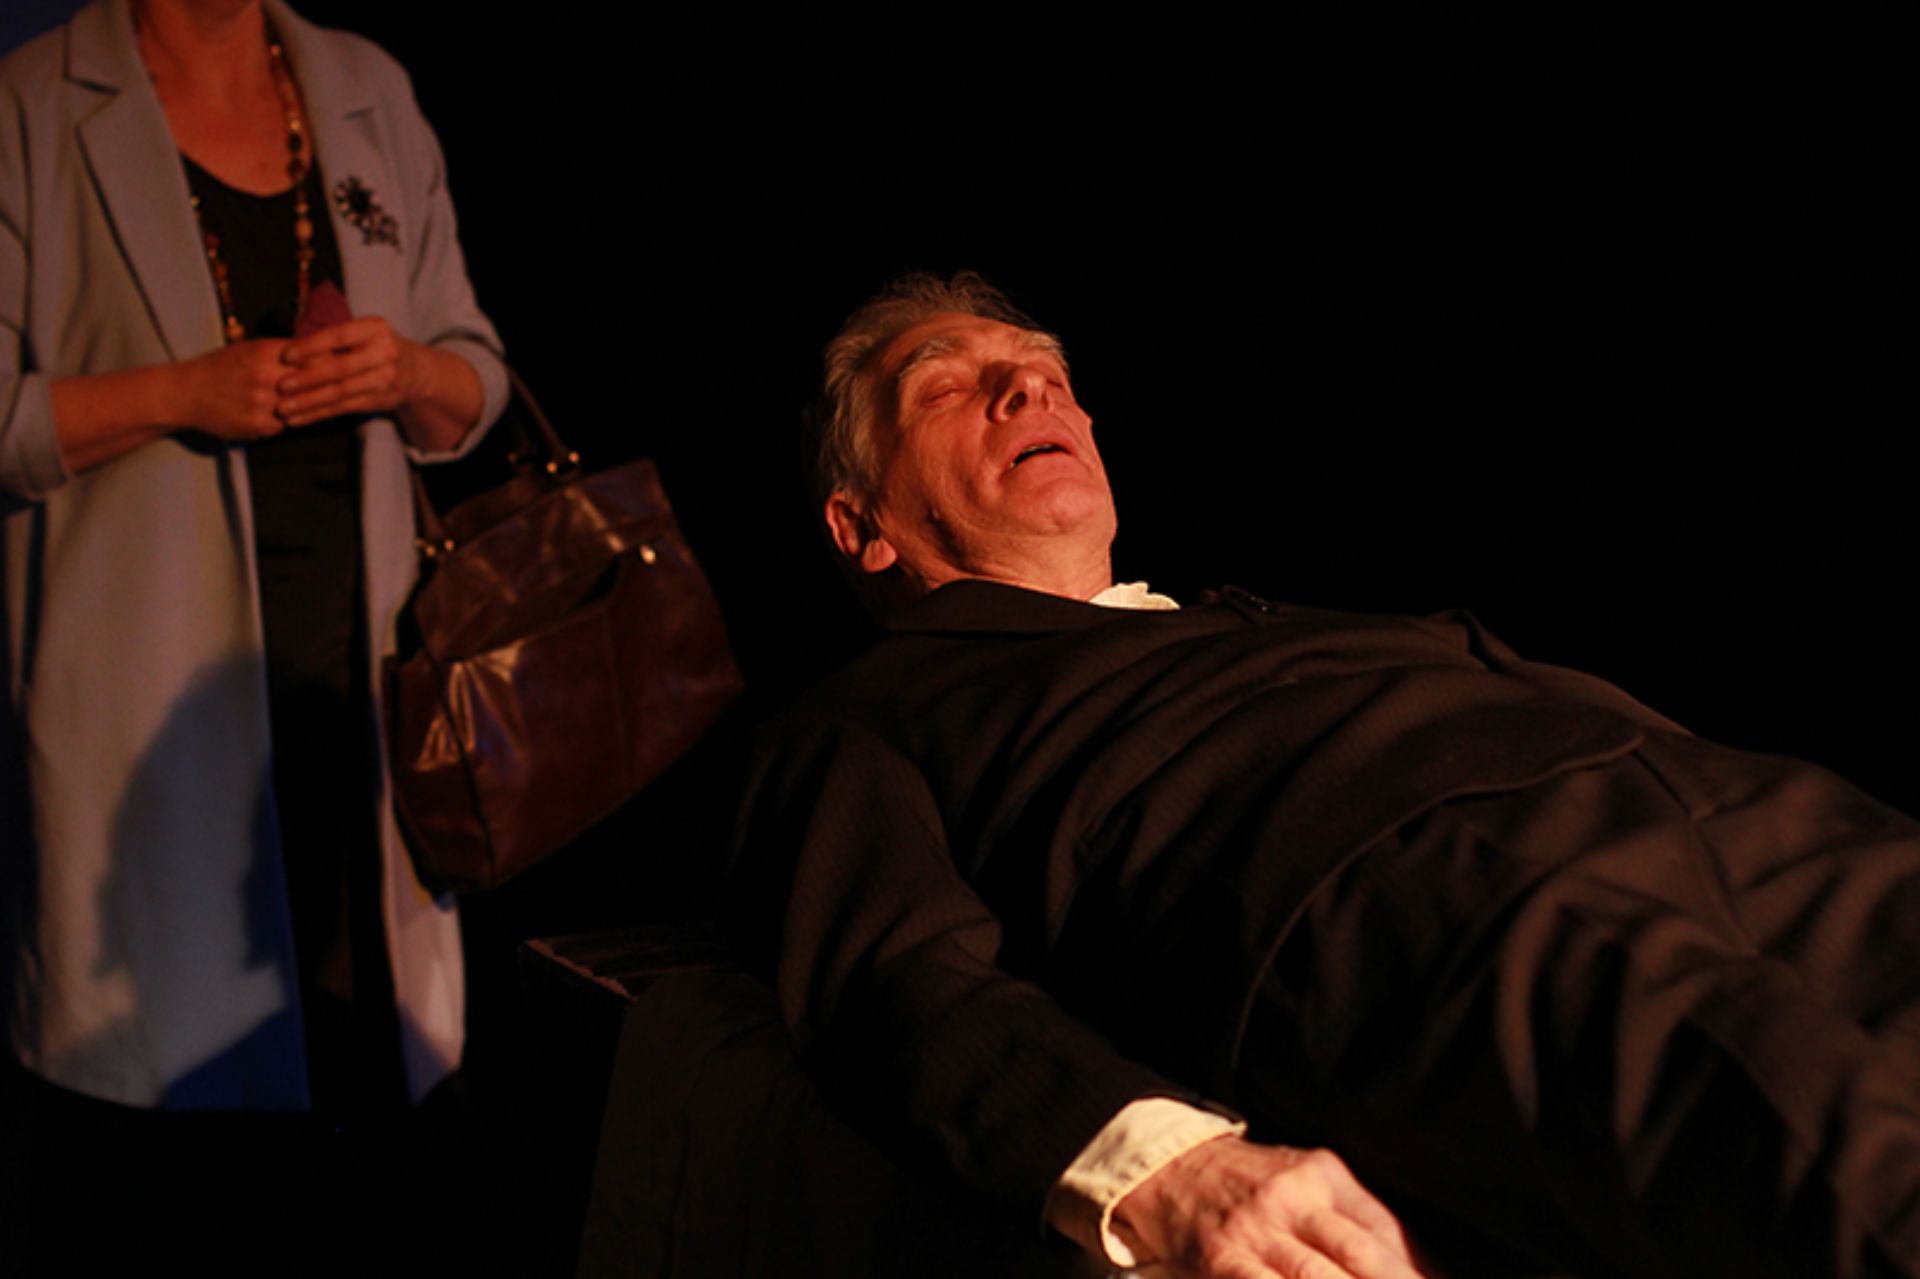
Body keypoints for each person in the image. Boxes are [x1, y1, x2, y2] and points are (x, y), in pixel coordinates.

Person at [726, 271, 1920, 1279]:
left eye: (1046, 370)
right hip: (1457, 894)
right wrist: (1157, 1169)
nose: (1030, 389)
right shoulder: (873, 710)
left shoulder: (1250, 615)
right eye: (947, 384)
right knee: (1849, 1172)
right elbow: (886, 976)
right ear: (859, 526)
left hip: (1757, 813)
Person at [0, 0, 505, 1267]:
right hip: (147, 706)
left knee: (365, 1110)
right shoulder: (31, 103)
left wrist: (403, 372)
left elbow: (475, 381)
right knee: (179, 1149)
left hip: (356, 698)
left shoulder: (363, 83)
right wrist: (182, 391)